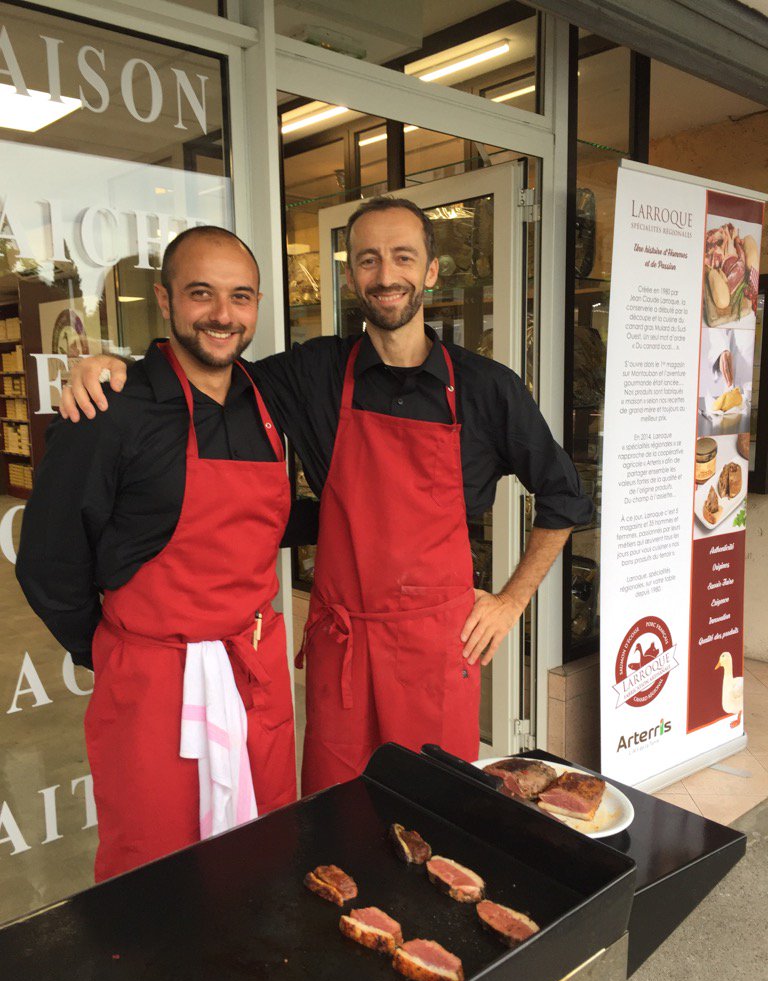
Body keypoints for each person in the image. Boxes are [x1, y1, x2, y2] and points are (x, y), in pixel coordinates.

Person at [60, 196, 593, 796]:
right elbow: (210, 359)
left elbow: (564, 498)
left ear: (432, 272)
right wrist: (115, 366)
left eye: (402, 258)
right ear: (349, 277)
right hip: (341, 650)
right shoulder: (312, 374)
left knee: (438, 810)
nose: (386, 276)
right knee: (336, 814)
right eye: (369, 260)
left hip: (434, 654)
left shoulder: (486, 388)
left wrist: (510, 602)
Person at [16, 226, 300, 881]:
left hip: (252, 670)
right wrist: (117, 649)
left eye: (241, 296)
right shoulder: (112, 409)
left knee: (264, 850)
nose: (223, 315)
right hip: (151, 684)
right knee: (151, 869)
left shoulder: (272, 400)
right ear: (165, 301)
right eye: (202, 294)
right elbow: (48, 562)